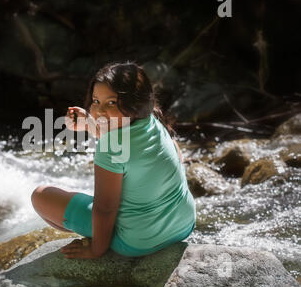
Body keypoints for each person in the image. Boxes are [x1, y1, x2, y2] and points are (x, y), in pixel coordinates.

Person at [31, 61, 196, 259]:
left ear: (134, 104)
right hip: (183, 225)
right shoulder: (153, 121)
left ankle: (102, 241)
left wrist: (96, 250)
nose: (99, 111)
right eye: (95, 101)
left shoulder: (110, 147)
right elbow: (129, 150)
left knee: (40, 196)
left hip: (138, 242)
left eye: (111, 103)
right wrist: (89, 126)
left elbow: (105, 208)